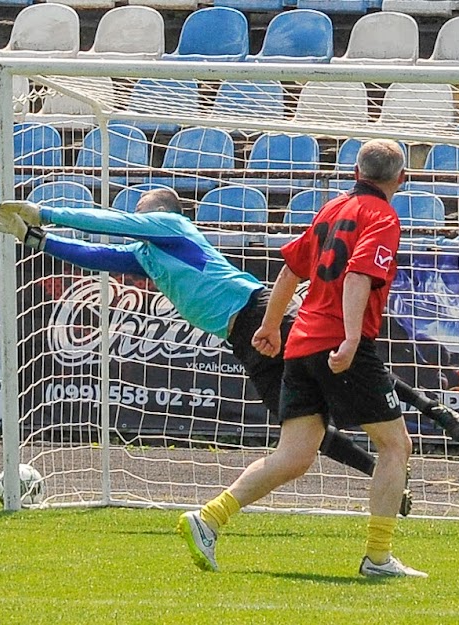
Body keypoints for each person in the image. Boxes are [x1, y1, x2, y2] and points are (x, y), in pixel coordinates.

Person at [0, 182, 459, 512]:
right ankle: (384, 475)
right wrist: (38, 239)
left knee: (340, 362)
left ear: (162, 216)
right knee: (301, 425)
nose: (139, 225)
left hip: (258, 311)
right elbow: (94, 254)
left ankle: (434, 411)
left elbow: (112, 225)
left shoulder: (173, 232)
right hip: (244, 336)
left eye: (144, 218)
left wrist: (47, 212)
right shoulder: (147, 255)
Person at [178, 139, 427, 578]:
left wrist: (271, 325)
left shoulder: (332, 208)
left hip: (301, 341)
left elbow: (292, 269)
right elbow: (357, 278)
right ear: (400, 180)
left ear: (355, 172)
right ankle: (378, 557)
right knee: (395, 446)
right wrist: (351, 340)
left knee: (294, 456)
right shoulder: (383, 216)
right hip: (337, 342)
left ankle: (208, 518)